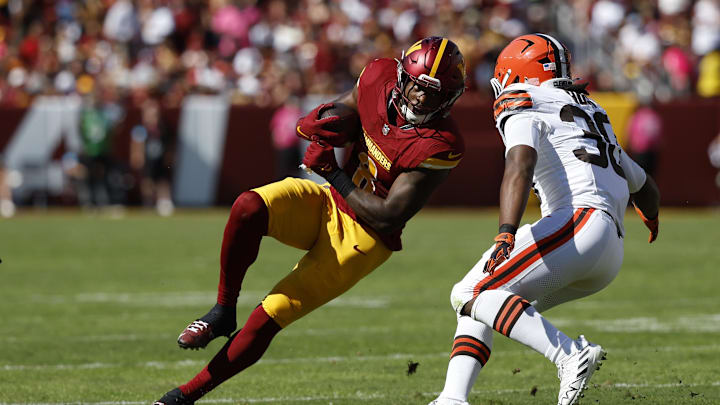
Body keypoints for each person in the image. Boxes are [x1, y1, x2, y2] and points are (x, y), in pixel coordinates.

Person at [154, 36, 467, 404]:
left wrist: (332, 172)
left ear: (450, 96)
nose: (418, 98)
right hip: (329, 201)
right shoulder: (376, 75)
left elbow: (388, 216)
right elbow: (347, 112)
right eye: (415, 85)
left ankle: (181, 398)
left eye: (432, 93)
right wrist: (322, 120)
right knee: (248, 206)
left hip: (363, 240)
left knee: (268, 315)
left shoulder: (440, 143)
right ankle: (223, 309)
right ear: (401, 75)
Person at [428, 33, 660, 405]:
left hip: (576, 225)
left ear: (523, 72)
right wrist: (651, 215)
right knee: (484, 301)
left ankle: (569, 354)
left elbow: (520, 164)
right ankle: (451, 399)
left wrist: (506, 231)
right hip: (609, 249)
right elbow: (646, 186)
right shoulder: (592, 111)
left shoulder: (524, 100)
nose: (502, 83)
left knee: (470, 293)